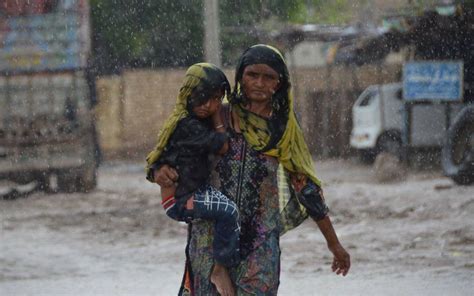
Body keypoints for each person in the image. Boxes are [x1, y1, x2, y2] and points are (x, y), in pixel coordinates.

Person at [153, 45, 351, 295]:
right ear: (240, 77)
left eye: (269, 77)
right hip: (211, 237)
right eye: (252, 75)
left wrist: (334, 244)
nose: (259, 83)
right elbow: (175, 149)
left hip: (259, 240)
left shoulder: (283, 130)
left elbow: (306, 188)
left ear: (280, 83)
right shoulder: (216, 116)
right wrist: (159, 170)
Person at [146, 63, 241, 296]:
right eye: (204, 98)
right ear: (188, 95)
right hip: (182, 199)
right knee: (229, 211)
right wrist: (219, 117)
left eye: (217, 99)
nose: (209, 105)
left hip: (190, 195)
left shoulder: (189, 121)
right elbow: (223, 145)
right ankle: (219, 269)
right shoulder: (187, 125)